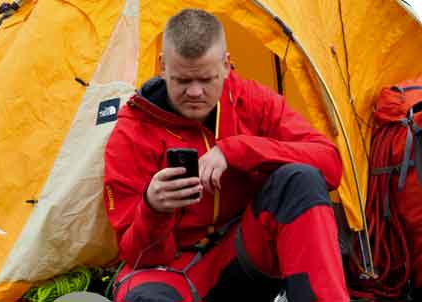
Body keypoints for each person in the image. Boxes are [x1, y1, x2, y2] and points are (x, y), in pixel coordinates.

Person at [103, 8, 349, 302]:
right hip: (171, 269)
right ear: (162, 67)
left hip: (243, 250)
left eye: (207, 79)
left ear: (227, 65)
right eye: (182, 80)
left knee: (301, 179)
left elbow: (330, 164)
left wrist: (238, 150)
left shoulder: (253, 100)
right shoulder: (131, 132)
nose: (195, 92)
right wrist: (153, 208)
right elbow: (136, 254)